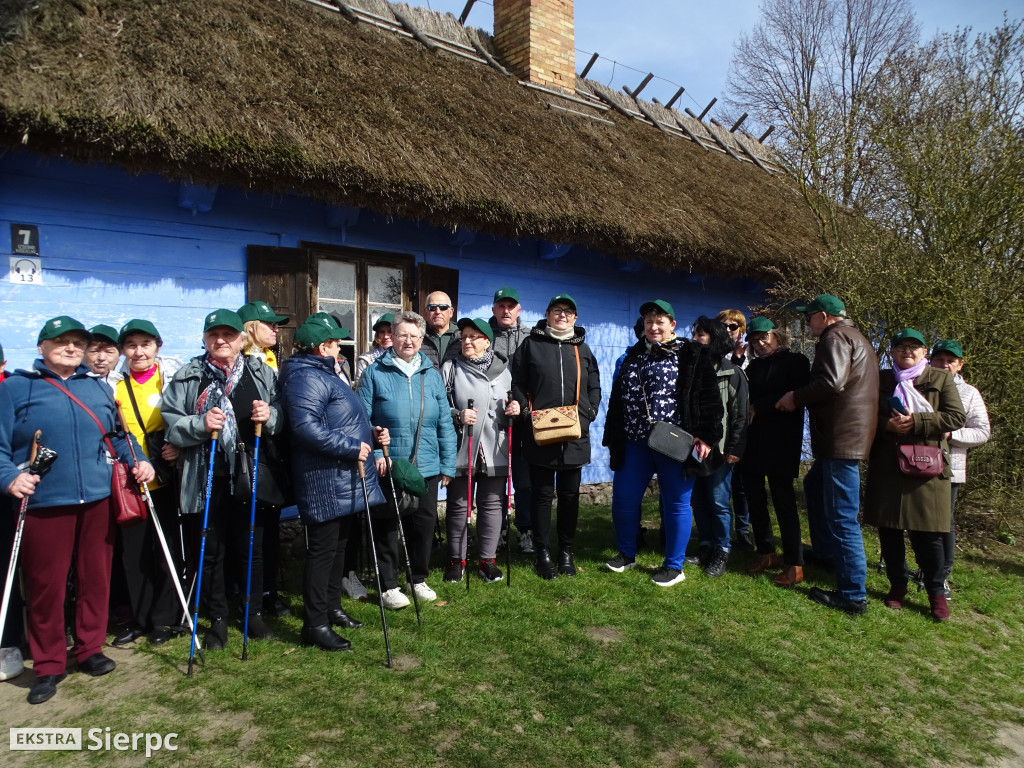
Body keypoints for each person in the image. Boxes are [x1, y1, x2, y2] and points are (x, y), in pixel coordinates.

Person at [0, 316, 154, 705]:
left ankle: (89, 649)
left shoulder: (97, 388)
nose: (70, 348)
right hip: (45, 502)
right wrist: (9, 479)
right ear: (41, 347)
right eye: (60, 341)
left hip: (98, 499)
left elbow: (118, 436)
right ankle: (50, 664)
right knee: (46, 587)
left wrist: (138, 460)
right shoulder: (17, 388)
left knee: (95, 578)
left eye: (76, 342)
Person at [163, 309, 282, 649]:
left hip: (249, 473)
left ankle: (252, 614)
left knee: (251, 547)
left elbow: (281, 413)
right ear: (204, 340)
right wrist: (199, 425)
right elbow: (170, 422)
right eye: (213, 335)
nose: (221, 341)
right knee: (210, 550)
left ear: (241, 340)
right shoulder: (189, 376)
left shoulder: (260, 372)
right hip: (205, 475)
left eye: (228, 335)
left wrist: (269, 415)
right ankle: (217, 619)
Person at [279, 315, 388, 651]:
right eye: (336, 341)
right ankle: (314, 624)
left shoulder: (324, 372)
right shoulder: (305, 377)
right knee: (323, 551)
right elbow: (305, 428)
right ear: (323, 346)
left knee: (339, 546)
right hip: (325, 479)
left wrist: (368, 433)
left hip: (342, 477)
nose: (340, 346)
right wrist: (351, 446)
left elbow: (336, 418)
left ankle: (332, 608)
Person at [603, 300, 722, 586]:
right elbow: (619, 396)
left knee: (676, 503)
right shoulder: (634, 354)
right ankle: (627, 554)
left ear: (672, 325)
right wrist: (613, 432)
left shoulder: (692, 353)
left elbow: (709, 396)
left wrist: (706, 435)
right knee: (624, 498)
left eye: (660, 321)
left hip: (673, 441)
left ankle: (673, 566)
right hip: (634, 440)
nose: (653, 327)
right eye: (648, 322)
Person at [777, 295, 879, 614]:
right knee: (814, 487)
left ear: (824, 316)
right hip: (846, 437)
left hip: (840, 439)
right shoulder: (858, 337)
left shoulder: (834, 337)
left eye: (809, 317)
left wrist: (795, 397)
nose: (807, 323)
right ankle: (826, 554)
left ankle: (852, 594)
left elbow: (830, 382)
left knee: (843, 516)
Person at [863, 329, 966, 621]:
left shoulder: (940, 378)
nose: (907, 351)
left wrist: (917, 421)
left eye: (914, 347)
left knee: (928, 535)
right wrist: (887, 425)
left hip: (927, 465)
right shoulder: (882, 379)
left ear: (924, 353)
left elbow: (956, 417)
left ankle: (936, 592)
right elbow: (866, 411)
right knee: (890, 529)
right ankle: (898, 586)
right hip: (889, 462)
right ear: (892, 352)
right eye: (900, 347)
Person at [357, 311, 457, 609]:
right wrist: (376, 453)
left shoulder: (432, 375)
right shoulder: (375, 373)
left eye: (415, 336)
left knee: (423, 525)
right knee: (387, 524)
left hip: (426, 465)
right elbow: (362, 421)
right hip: (389, 463)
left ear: (422, 339)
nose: (408, 341)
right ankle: (389, 586)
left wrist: (447, 465)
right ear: (393, 337)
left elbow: (444, 425)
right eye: (402, 335)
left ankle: (418, 578)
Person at [512, 294, 601, 579]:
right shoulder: (531, 345)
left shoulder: (583, 349)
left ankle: (565, 552)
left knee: (569, 496)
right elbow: (518, 383)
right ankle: (543, 553)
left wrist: (588, 414)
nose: (562, 315)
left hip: (574, 435)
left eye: (568, 311)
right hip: (540, 433)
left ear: (575, 318)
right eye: (557, 310)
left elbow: (594, 386)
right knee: (540, 496)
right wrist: (528, 416)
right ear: (547, 314)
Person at [111, 319, 185, 647]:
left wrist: (178, 444)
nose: (139, 352)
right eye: (131, 345)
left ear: (158, 346)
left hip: (166, 477)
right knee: (134, 555)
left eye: (146, 344)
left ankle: (164, 619)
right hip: (130, 481)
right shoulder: (112, 384)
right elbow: (112, 430)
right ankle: (140, 619)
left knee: (167, 551)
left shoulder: (171, 379)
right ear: (123, 351)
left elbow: (185, 418)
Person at [441, 317, 519, 583]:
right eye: (464, 337)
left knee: (493, 505)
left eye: (474, 337)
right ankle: (457, 560)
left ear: (487, 341)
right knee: (459, 505)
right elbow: (439, 408)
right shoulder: (450, 368)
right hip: (463, 445)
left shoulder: (504, 370)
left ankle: (487, 560)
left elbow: (513, 402)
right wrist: (457, 414)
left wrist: (515, 409)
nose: (468, 341)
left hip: (494, 446)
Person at [739, 318, 810, 586]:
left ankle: (795, 563)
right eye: (754, 339)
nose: (759, 343)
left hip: (782, 441)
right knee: (754, 498)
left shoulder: (797, 362)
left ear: (777, 335)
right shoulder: (753, 367)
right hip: (754, 440)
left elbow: (794, 396)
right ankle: (766, 552)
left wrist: (760, 406)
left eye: (764, 336)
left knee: (784, 502)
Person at [238, 300, 292, 617]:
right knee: (250, 532)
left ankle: (269, 590)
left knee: (268, 529)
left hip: (271, 455)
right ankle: (252, 594)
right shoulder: (240, 364)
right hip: (247, 457)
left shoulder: (272, 360)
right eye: (268, 323)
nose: (275, 328)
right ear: (250, 330)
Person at [688, 316, 748, 578]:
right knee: (698, 500)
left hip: (720, 450)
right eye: (694, 334)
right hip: (692, 448)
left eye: (700, 335)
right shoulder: (689, 369)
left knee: (718, 501)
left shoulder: (732, 372)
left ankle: (722, 549)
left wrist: (734, 448)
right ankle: (705, 546)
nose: (694, 338)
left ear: (714, 338)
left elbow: (740, 415)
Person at [929, 339, 990, 595]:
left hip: (949, 468)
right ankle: (923, 570)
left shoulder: (969, 393)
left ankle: (942, 576)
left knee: (944, 523)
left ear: (960, 364)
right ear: (930, 360)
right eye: (939, 360)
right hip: (912, 462)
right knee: (917, 522)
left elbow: (983, 432)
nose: (944, 365)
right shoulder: (918, 384)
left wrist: (952, 435)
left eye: (950, 361)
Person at [488, 287, 533, 554]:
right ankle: (499, 528)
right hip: (493, 417)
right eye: (501, 306)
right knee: (496, 476)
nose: (506, 311)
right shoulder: (484, 335)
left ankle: (525, 530)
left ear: (518, 310)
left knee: (524, 479)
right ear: (494, 309)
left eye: (511, 306)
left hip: (525, 419)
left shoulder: (530, 337)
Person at [717, 310, 755, 551]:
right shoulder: (716, 352)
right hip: (722, 431)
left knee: (742, 484)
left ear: (741, 330)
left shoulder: (752, 355)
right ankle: (721, 534)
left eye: (734, 326)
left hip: (746, 428)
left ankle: (743, 530)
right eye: (724, 326)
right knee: (720, 486)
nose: (729, 330)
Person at [239, 300, 289, 370]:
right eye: (270, 323)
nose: (276, 329)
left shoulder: (274, 356)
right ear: (251, 327)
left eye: (276, 325)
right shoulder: (235, 359)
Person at [354, 313, 394, 388]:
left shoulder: (404, 357)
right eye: (382, 332)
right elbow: (359, 387)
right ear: (377, 335)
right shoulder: (366, 359)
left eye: (390, 331)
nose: (386, 336)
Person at [421, 292, 460, 369]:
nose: (438, 312)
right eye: (432, 307)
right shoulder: (417, 336)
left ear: (451, 312)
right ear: (425, 312)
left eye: (443, 307)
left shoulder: (462, 337)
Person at [85, 324, 122, 389]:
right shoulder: (69, 379)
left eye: (109, 352)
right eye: (94, 351)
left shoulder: (130, 379)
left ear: (120, 353)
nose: (102, 358)